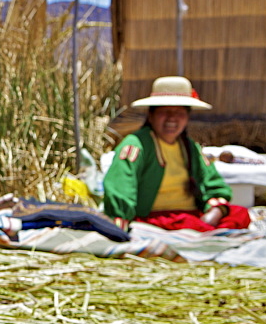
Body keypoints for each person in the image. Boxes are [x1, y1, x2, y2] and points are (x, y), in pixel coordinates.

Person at [102, 76, 250, 232]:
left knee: (240, 214)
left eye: (179, 112)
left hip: (192, 215)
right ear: (151, 116)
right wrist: (120, 223)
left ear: (187, 118)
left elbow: (212, 182)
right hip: (156, 217)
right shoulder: (136, 145)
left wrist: (216, 211)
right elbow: (120, 185)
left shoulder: (190, 147)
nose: (172, 118)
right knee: (190, 227)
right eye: (164, 112)